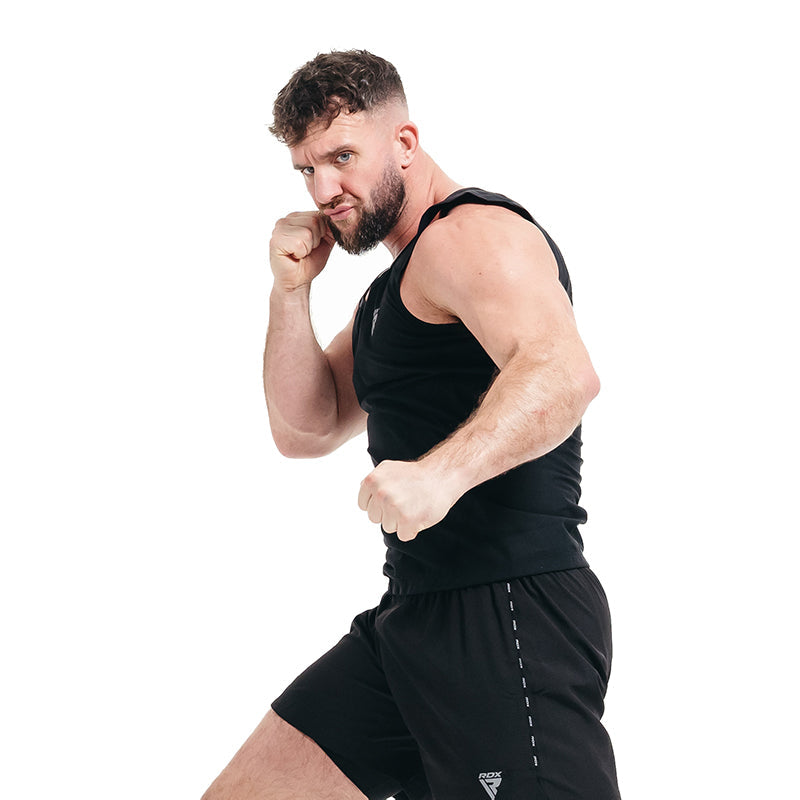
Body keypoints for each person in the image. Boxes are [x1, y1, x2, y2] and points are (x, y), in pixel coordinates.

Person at [202, 50, 620, 800]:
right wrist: (290, 290)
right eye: (306, 169)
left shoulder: (472, 235)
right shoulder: (390, 291)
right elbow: (306, 429)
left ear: (404, 143)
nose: (324, 190)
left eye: (342, 157)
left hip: (508, 614)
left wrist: (440, 476)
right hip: (411, 617)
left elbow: (563, 372)